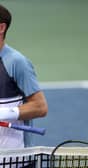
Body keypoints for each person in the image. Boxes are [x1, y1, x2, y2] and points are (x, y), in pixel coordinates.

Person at [0, 4, 48, 149]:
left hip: (14, 160)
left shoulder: (16, 62)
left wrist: (3, 113)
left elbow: (40, 107)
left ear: (1, 28)